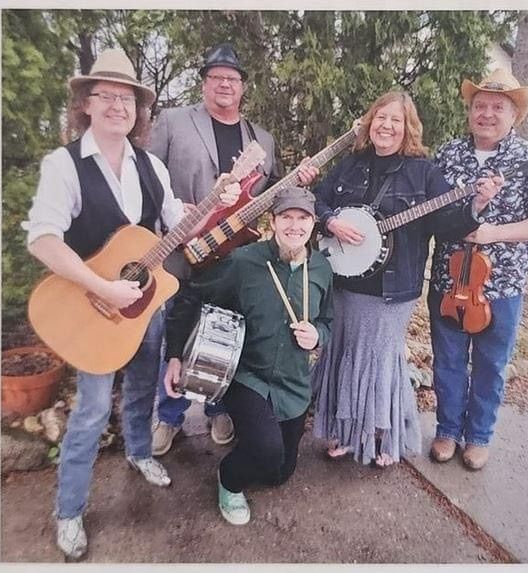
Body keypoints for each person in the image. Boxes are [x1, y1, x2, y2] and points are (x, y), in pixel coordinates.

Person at [24, 49, 240, 559]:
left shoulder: (150, 165)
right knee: (93, 412)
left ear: (138, 109)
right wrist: (102, 288)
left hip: (143, 306)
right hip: (91, 311)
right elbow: (43, 241)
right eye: (107, 96)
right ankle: (70, 511)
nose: (119, 105)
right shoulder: (65, 165)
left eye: (128, 98)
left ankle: (140, 453)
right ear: (86, 103)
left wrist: (218, 199)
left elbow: (177, 219)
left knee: (143, 386)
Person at [312, 91, 502, 468]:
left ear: (408, 128)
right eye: (381, 117)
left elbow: (447, 224)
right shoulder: (350, 165)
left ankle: (381, 434)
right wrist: (330, 220)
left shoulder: (424, 172)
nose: (387, 125)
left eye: (396, 120)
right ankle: (347, 432)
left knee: (379, 360)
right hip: (344, 280)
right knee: (343, 353)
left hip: (392, 290)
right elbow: (317, 199)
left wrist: (477, 206)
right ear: (370, 122)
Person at [149, 42, 318, 453]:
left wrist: (302, 182)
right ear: (204, 83)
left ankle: (218, 409)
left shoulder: (261, 139)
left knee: (227, 334)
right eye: (216, 78)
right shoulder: (172, 122)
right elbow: (147, 179)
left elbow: (276, 194)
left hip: (232, 255)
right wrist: (172, 213)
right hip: (181, 248)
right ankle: (168, 415)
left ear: (243, 87)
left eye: (233, 79)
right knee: (174, 328)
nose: (225, 85)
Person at [163, 187, 333, 525]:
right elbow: (191, 295)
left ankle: (257, 442)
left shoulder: (321, 270)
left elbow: (327, 321)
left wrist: (318, 336)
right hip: (246, 376)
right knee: (267, 452)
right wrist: (175, 355)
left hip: (292, 382)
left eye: (303, 219)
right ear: (273, 221)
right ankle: (228, 477)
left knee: (279, 473)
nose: (294, 226)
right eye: (287, 217)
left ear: (314, 224)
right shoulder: (244, 262)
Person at [428, 68, 528, 470]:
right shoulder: (448, 153)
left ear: (513, 114)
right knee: (447, 359)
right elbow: (432, 210)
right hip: (448, 280)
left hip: (500, 286)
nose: (486, 113)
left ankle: (479, 435)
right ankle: (447, 430)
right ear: (470, 111)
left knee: (490, 362)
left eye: (497, 107)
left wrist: (492, 233)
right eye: (479, 105)